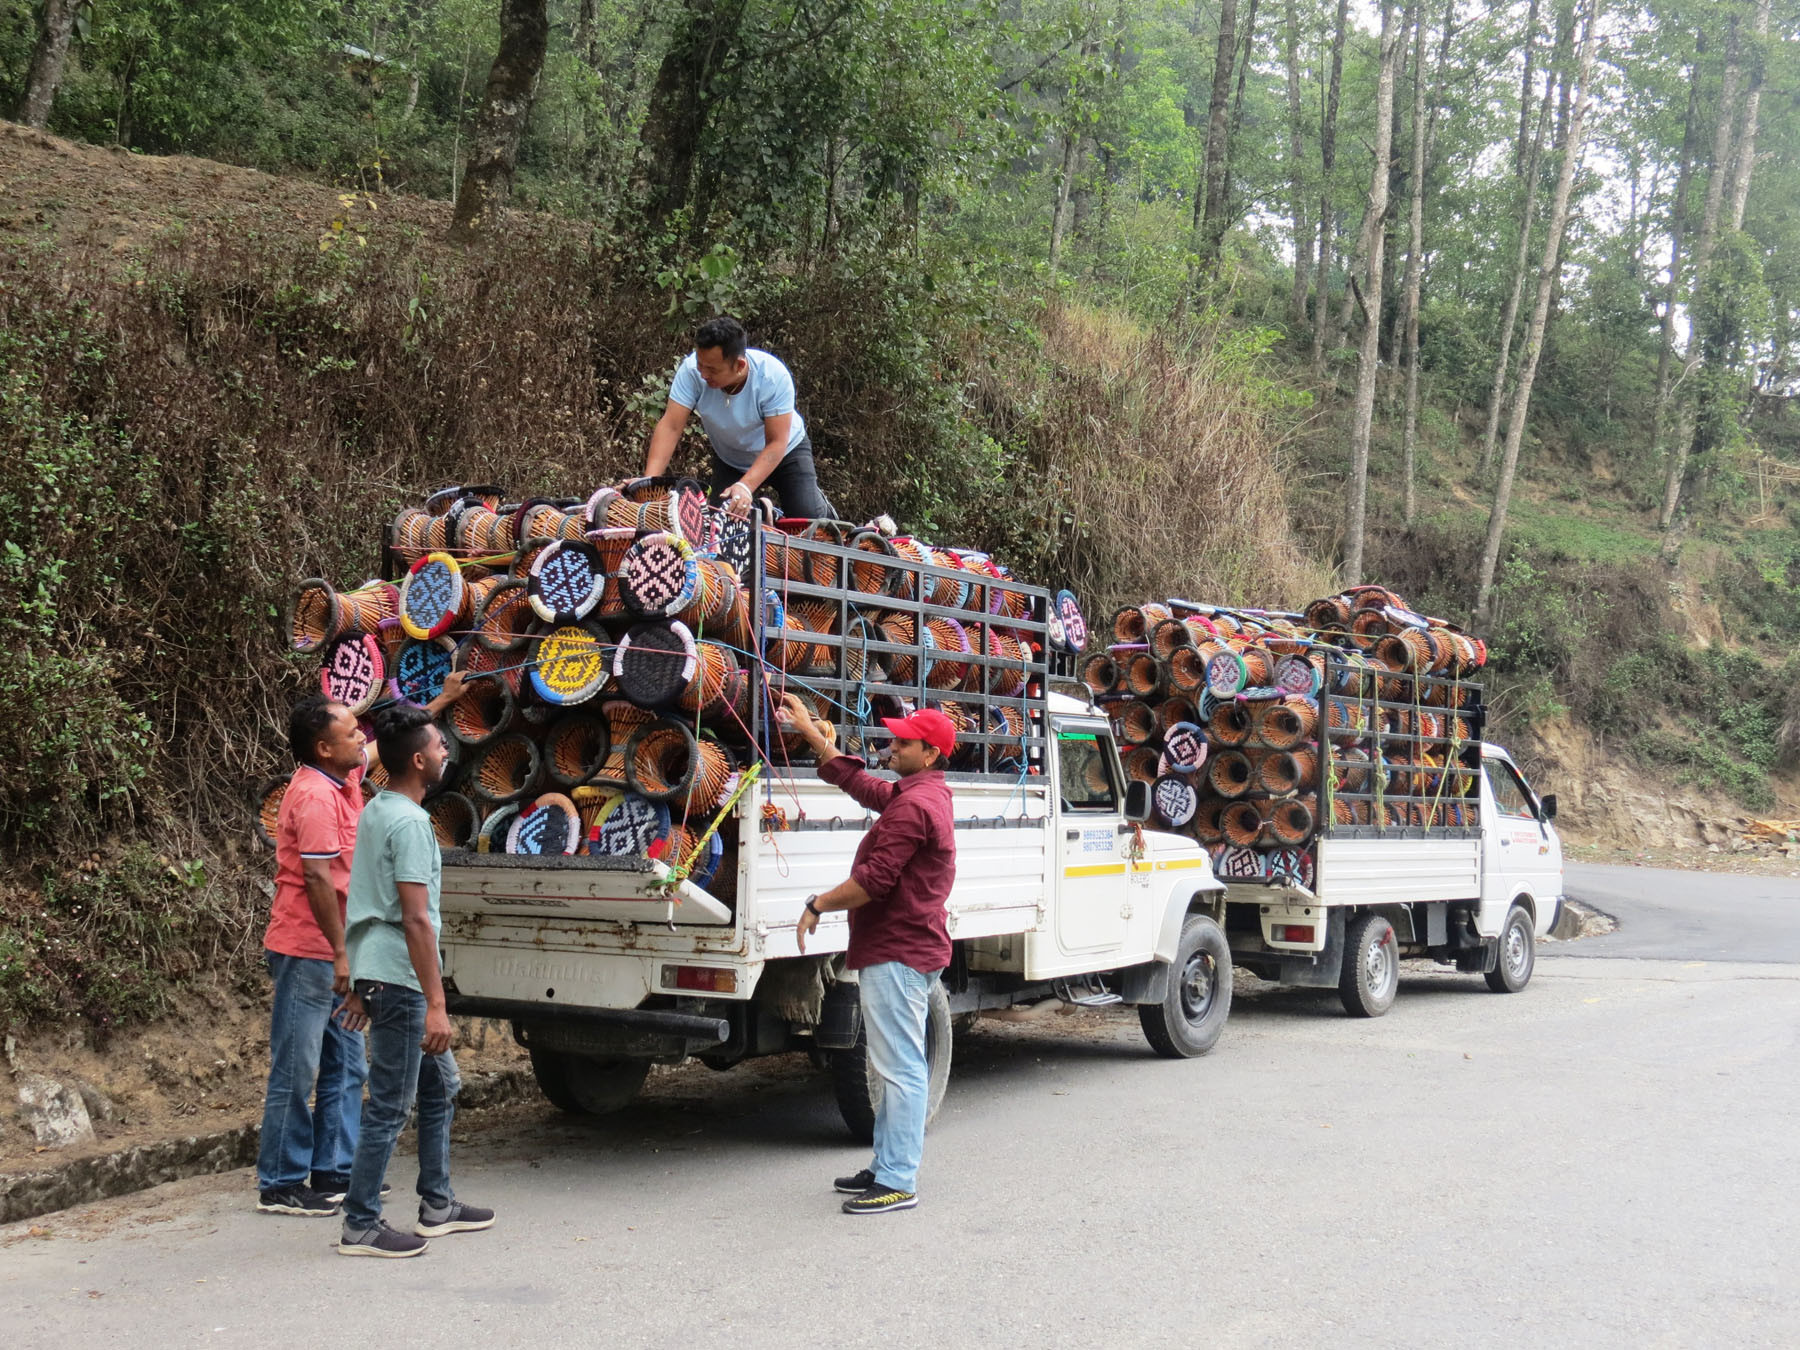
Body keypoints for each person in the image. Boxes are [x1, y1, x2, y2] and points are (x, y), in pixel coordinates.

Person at [256, 679, 468, 1219]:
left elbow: (391, 751)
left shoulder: (346, 779)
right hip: (311, 946)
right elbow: (319, 881)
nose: (362, 738)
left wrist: (438, 704)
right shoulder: (314, 795)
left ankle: (334, 1171)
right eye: (351, 732)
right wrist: (342, 955)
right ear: (323, 747)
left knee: (347, 1065)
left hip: (346, 949)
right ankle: (282, 1180)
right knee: (297, 1066)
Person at [779, 694, 957, 1215]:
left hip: (898, 952)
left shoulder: (916, 806)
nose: (892, 745)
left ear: (929, 755)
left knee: (899, 1068)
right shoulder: (921, 794)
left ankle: (899, 1178)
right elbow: (866, 786)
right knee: (893, 1064)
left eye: (903, 742)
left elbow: (874, 881)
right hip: (907, 948)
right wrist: (814, 735)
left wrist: (818, 903)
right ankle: (885, 1166)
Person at [337, 703, 494, 1258]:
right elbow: (413, 918)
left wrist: (361, 980)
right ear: (420, 760)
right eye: (440, 746)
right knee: (390, 1104)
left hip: (382, 971)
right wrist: (436, 1004)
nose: (447, 751)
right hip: (402, 980)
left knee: (441, 1087)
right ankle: (360, 1224)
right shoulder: (407, 822)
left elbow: (366, 900)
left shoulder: (379, 809)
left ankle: (438, 1203)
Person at [642, 315, 836, 520]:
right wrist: (647, 483)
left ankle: (820, 507)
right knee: (723, 521)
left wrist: (745, 486)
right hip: (731, 458)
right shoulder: (691, 371)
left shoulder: (771, 377)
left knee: (805, 518)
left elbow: (777, 442)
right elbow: (671, 426)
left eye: (713, 370)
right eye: (701, 365)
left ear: (740, 366)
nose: (703, 374)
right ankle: (765, 513)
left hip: (786, 452)